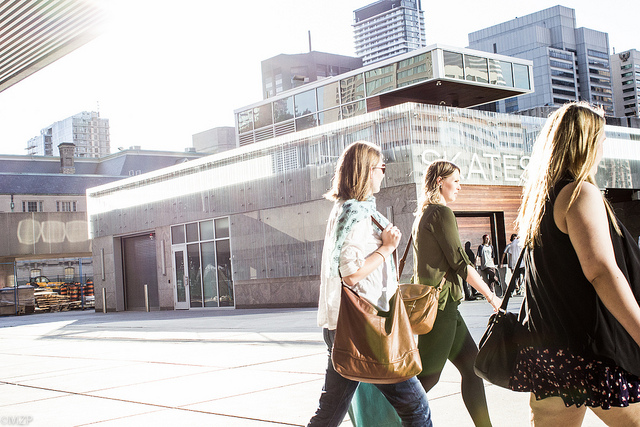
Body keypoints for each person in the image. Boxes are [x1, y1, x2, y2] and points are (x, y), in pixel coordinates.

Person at [510, 102, 640, 425]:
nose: (603, 147)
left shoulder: (540, 202)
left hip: (551, 351)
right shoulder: (579, 194)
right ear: (584, 142)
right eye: (600, 138)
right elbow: (601, 271)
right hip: (591, 351)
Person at [308, 141, 432, 427]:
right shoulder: (356, 216)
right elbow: (350, 273)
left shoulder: (347, 212)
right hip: (363, 329)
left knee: (329, 413)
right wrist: (387, 248)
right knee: (417, 408)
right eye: (381, 168)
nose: (383, 174)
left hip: (344, 327)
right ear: (365, 172)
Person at [412, 160, 501, 427]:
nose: (460, 187)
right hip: (441, 308)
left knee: (472, 368)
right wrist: (491, 296)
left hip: (444, 306)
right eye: (457, 181)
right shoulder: (440, 213)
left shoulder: (425, 213)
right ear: (440, 181)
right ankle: (383, 419)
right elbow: (460, 263)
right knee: (426, 378)